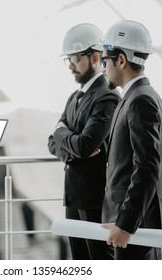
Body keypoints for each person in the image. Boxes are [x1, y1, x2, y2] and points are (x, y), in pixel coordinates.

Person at [101, 20, 162, 260]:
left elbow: (147, 168)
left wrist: (125, 224)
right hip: (133, 225)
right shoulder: (138, 97)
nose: (102, 68)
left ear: (121, 60)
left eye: (105, 61)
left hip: (135, 228)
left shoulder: (140, 101)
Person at [48, 23, 120, 259]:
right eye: (67, 59)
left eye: (75, 59)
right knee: (79, 263)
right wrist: (72, 149)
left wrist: (62, 134)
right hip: (74, 196)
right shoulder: (75, 97)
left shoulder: (107, 96)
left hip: (95, 199)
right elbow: (51, 142)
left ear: (95, 57)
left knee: (99, 262)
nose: (70, 66)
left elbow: (85, 145)